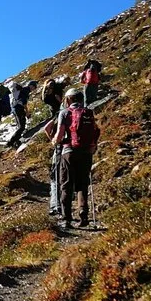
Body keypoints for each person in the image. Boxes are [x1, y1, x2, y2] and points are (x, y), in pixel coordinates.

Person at [52, 88, 100, 228]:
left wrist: (55, 141)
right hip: (86, 152)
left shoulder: (65, 113)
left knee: (66, 184)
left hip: (69, 151)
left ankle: (67, 219)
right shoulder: (88, 112)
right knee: (82, 184)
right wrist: (92, 146)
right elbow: (96, 130)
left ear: (68, 99)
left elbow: (60, 134)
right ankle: (83, 216)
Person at [41, 77, 67, 216]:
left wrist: (53, 140)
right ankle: (69, 207)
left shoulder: (47, 91)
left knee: (55, 176)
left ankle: (56, 205)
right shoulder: (67, 112)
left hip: (59, 146)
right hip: (74, 147)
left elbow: (46, 128)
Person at [6, 80, 35, 148]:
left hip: (15, 108)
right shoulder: (26, 90)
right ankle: (10, 142)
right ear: (31, 85)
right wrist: (27, 112)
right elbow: (23, 102)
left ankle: (15, 142)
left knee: (20, 126)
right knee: (21, 127)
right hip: (19, 108)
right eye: (34, 86)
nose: (34, 89)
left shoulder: (22, 90)